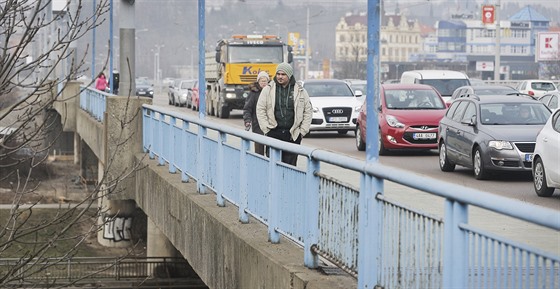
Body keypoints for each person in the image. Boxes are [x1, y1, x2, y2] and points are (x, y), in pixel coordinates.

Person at [256, 62, 313, 166]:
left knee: (290, 167)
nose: (280, 77)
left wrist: (302, 132)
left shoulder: (300, 91)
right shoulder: (268, 90)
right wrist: (266, 129)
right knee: (273, 166)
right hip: (273, 133)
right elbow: (260, 109)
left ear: (289, 75)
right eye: (278, 74)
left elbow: (308, 111)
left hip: (292, 135)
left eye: (283, 74)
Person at [243, 71, 270, 155]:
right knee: (259, 148)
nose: (263, 83)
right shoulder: (253, 93)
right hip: (257, 124)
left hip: (270, 124)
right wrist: (247, 121)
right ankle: (260, 165)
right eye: (262, 81)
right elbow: (247, 109)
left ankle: (270, 166)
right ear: (258, 82)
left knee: (270, 147)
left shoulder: (271, 92)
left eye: (265, 81)